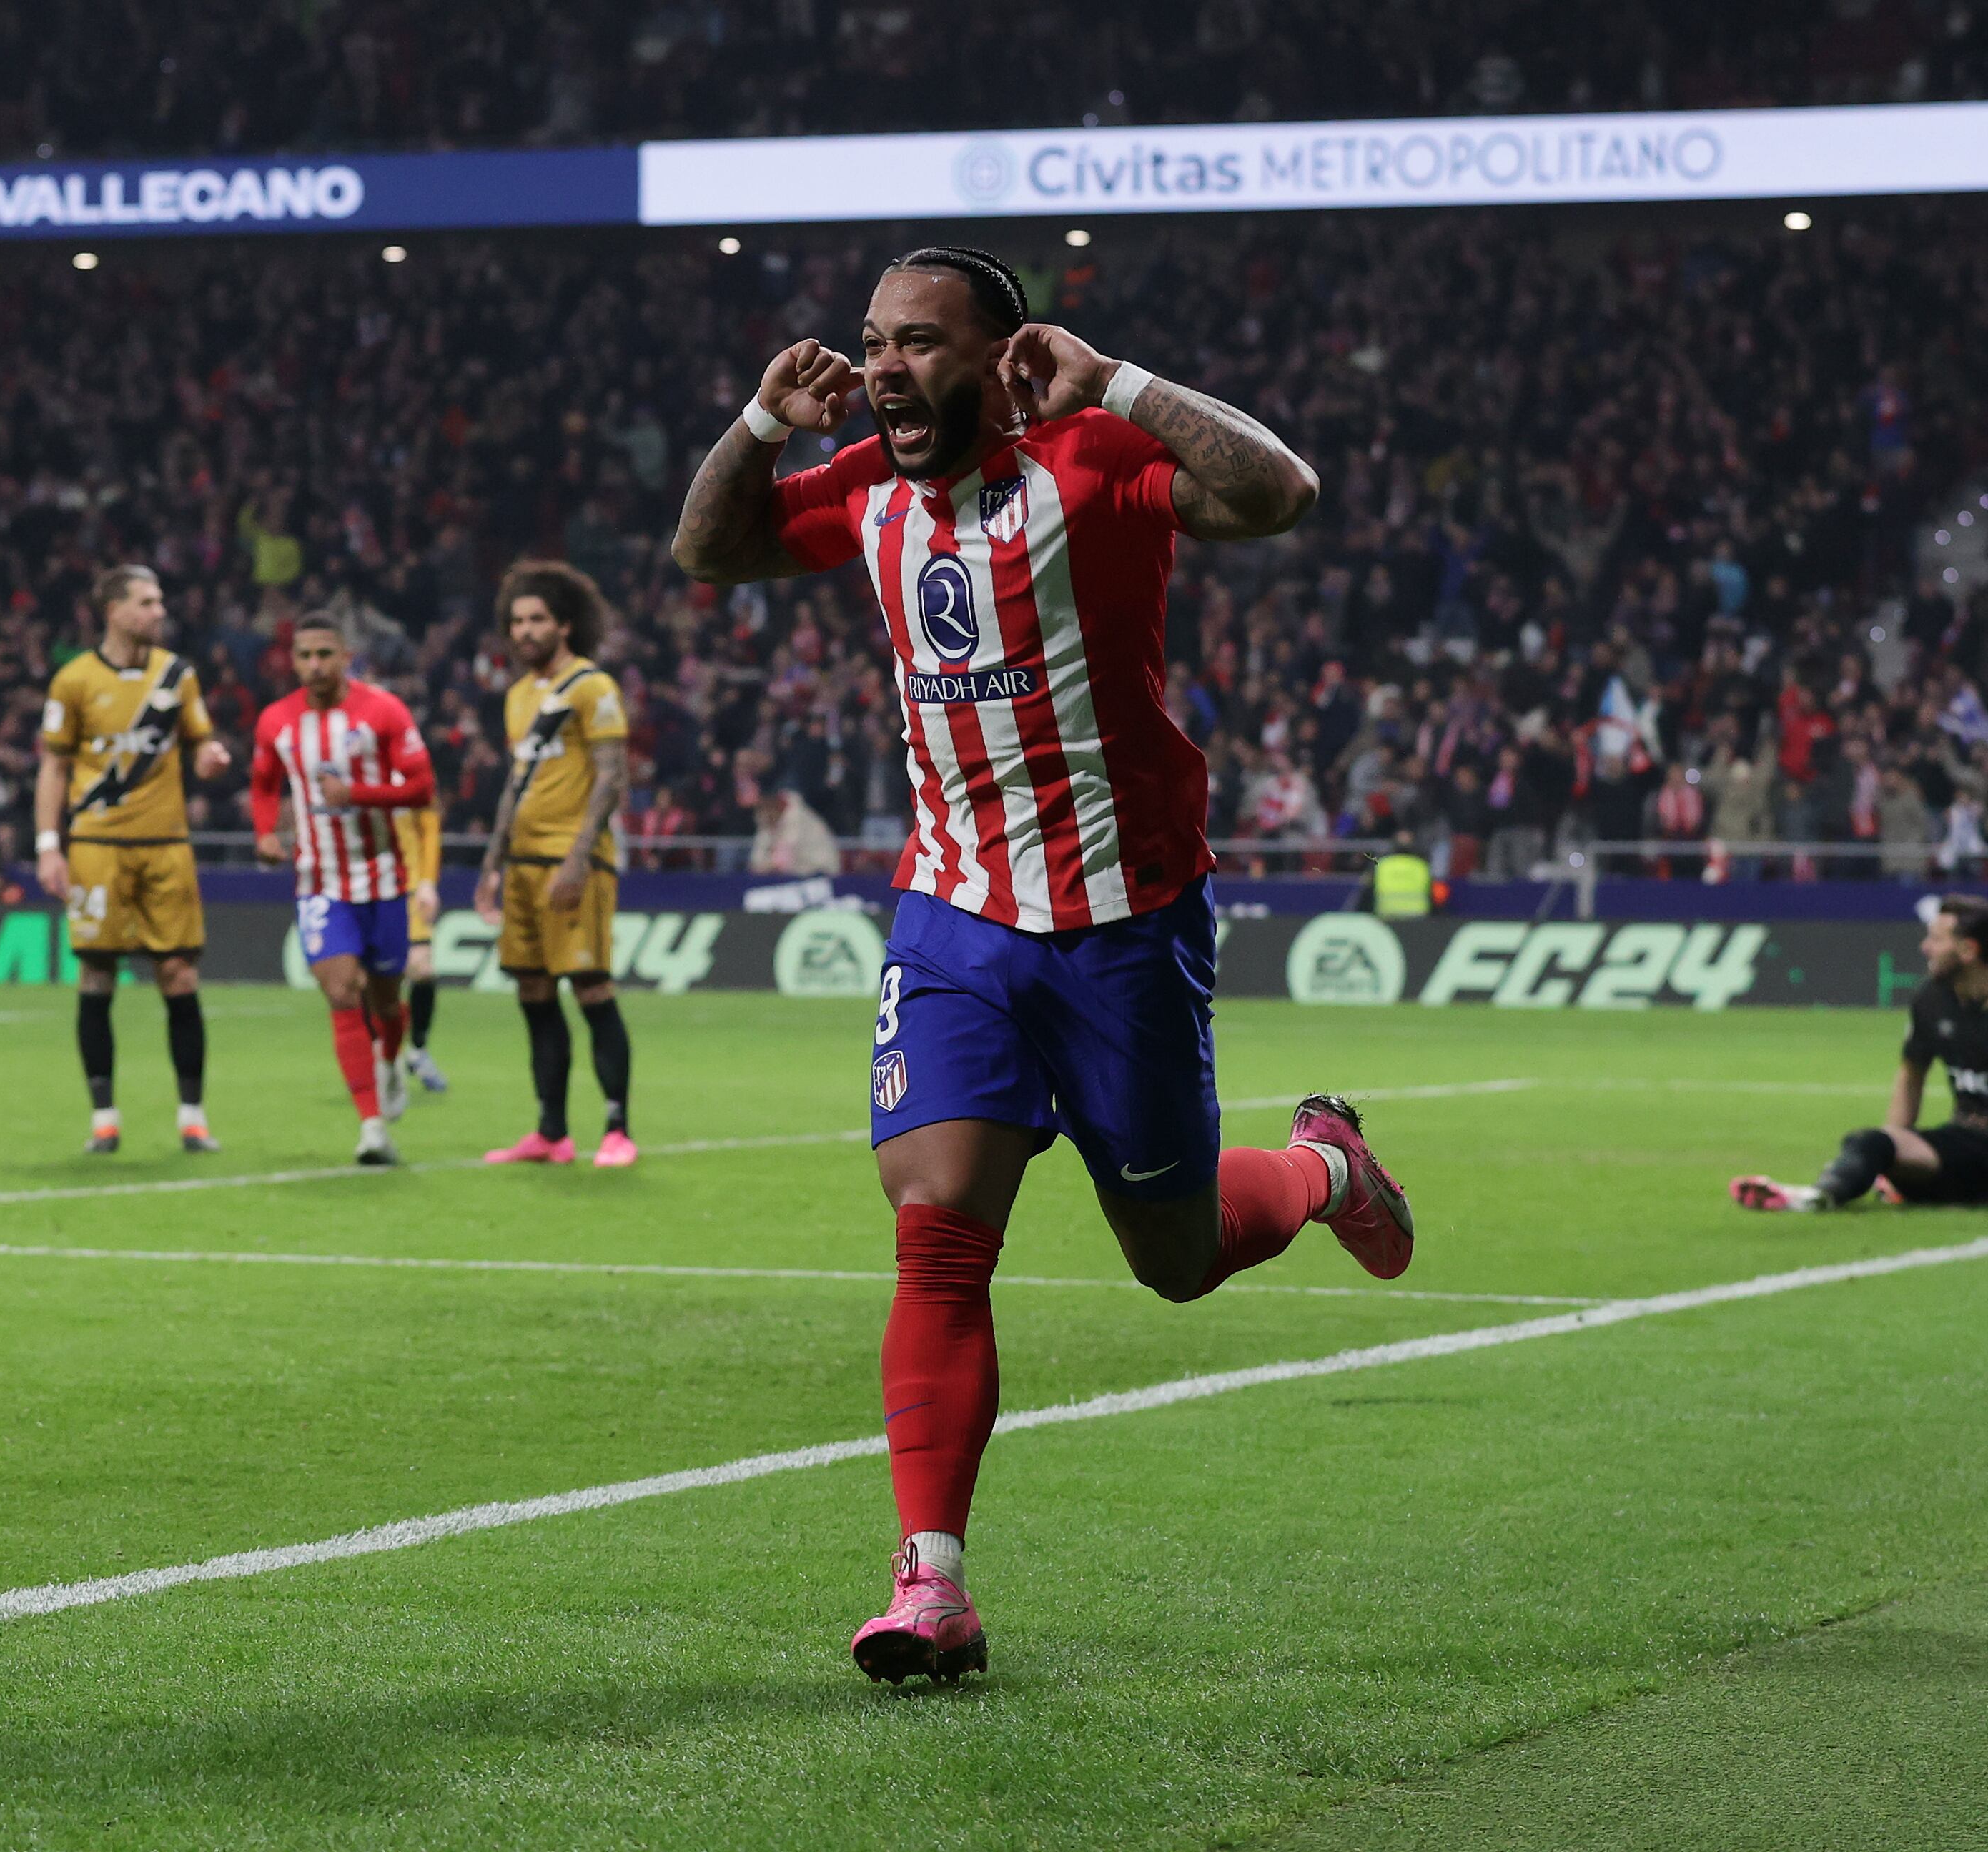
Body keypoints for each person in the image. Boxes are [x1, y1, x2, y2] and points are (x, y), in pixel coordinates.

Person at [671, 244, 1416, 1685]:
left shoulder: (1090, 455)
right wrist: (761, 422)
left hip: (1124, 921)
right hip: (953, 918)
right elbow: (710, 548)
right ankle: (928, 1581)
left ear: (1002, 356)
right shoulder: (866, 492)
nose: (882, 365)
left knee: (1176, 1259)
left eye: (918, 342)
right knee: (937, 1223)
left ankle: (1321, 1163)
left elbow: (1277, 494)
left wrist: (1119, 380)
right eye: (871, 341)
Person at [1731, 894, 1988, 1214]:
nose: (1925, 947)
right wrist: (1896, 1150)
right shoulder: (1931, 1000)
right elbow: (1911, 1076)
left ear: (1968, 950)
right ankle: (1817, 1196)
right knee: (1870, 1143)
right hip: (1964, 1142)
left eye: (1936, 940)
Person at [34, 564, 231, 1155]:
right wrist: (49, 844)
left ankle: (192, 1116)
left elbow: (199, 746)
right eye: (146, 602)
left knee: (179, 974)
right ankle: (104, 1118)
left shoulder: (177, 676)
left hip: (166, 844)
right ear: (113, 610)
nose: (158, 611)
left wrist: (212, 760)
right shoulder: (73, 681)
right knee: (97, 975)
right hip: (97, 847)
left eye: (159, 601)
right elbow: (53, 766)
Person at [248, 612, 434, 1166]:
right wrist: (265, 833)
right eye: (303, 655)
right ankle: (372, 1128)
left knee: (385, 999)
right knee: (339, 991)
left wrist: (356, 793)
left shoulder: (384, 710)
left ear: (346, 656)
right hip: (318, 882)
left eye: (324, 654)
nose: (313, 665)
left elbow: (422, 787)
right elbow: (263, 784)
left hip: (381, 877)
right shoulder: (276, 721)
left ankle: (391, 1058)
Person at [472, 560, 638, 1169]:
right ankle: (551, 1132)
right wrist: (492, 862)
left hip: (574, 861)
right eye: (516, 621)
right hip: (520, 864)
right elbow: (517, 784)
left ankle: (617, 1128)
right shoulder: (519, 696)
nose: (524, 631)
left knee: (591, 987)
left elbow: (611, 778)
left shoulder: (592, 686)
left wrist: (578, 857)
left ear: (564, 624)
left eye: (536, 619)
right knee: (533, 992)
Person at [398, 799, 451, 1093]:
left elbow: (430, 831)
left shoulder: (410, 768)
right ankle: (383, 1057)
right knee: (371, 981)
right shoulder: (357, 769)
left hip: (411, 890)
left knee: (423, 970)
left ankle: (418, 1050)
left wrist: (428, 882)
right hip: (370, 887)